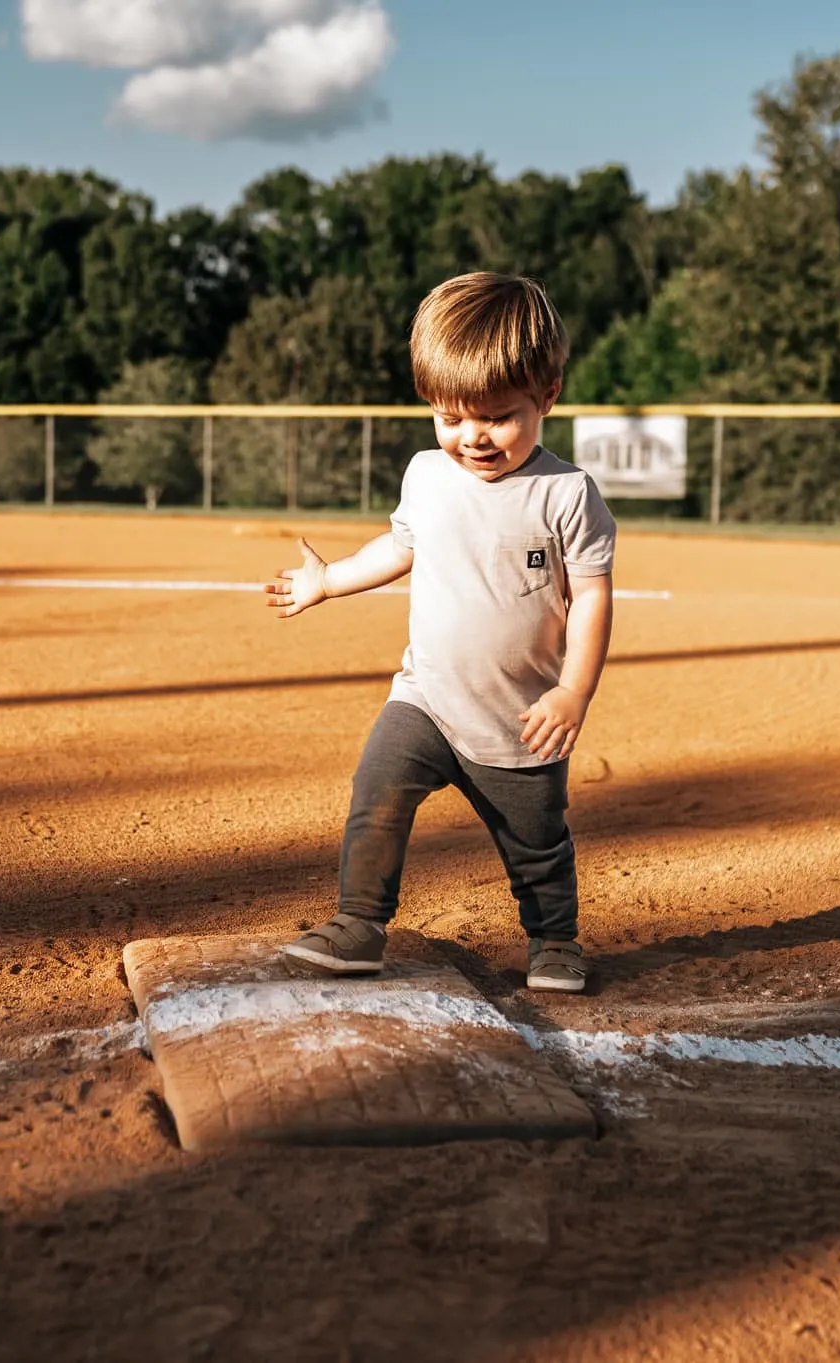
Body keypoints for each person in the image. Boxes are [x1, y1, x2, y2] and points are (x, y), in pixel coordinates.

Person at [264, 272, 616, 992]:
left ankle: (554, 941)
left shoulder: (566, 494)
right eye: (451, 417)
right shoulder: (427, 474)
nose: (471, 437)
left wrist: (574, 691)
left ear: (547, 393)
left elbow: (592, 599)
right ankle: (359, 922)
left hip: (520, 717)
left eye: (496, 417)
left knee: (537, 843)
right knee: (378, 789)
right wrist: (328, 581)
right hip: (425, 696)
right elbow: (399, 548)